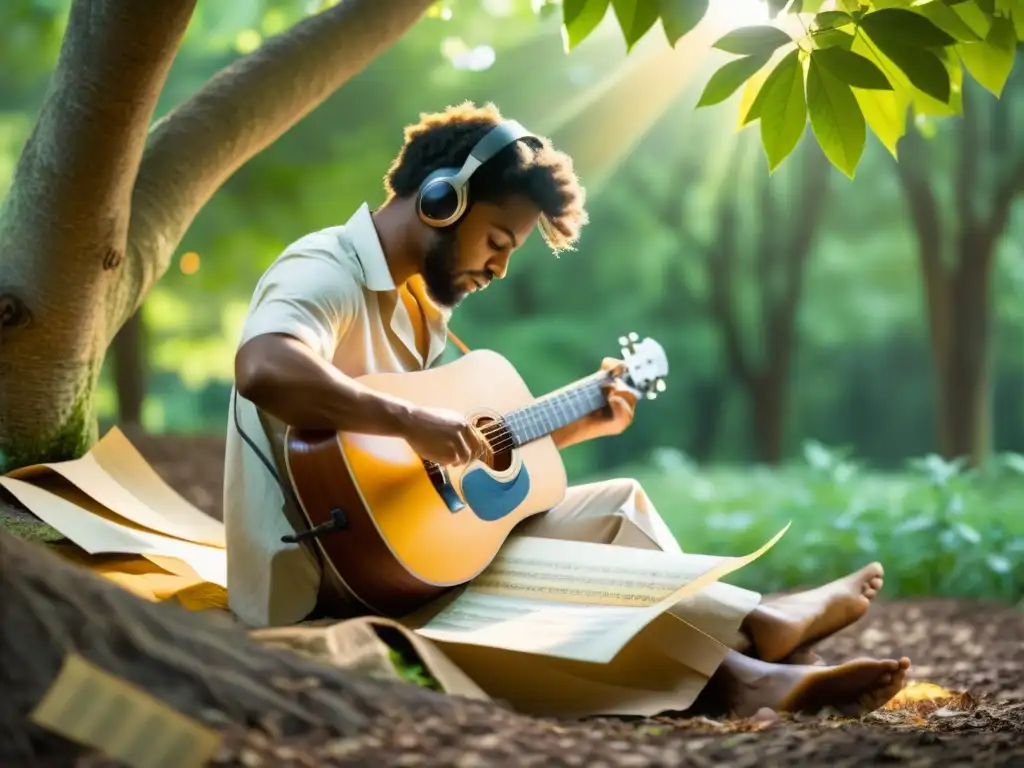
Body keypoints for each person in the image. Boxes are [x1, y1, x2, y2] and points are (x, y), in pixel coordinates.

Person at [224, 101, 910, 717]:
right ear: (442, 200)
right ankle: (747, 662)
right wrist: (414, 422)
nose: (498, 269)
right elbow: (265, 367)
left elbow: (427, 484)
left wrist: (572, 427)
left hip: (395, 553)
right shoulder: (323, 268)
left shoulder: (418, 307)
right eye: (497, 241)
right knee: (561, 575)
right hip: (330, 585)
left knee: (618, 506)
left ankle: (751, 636)